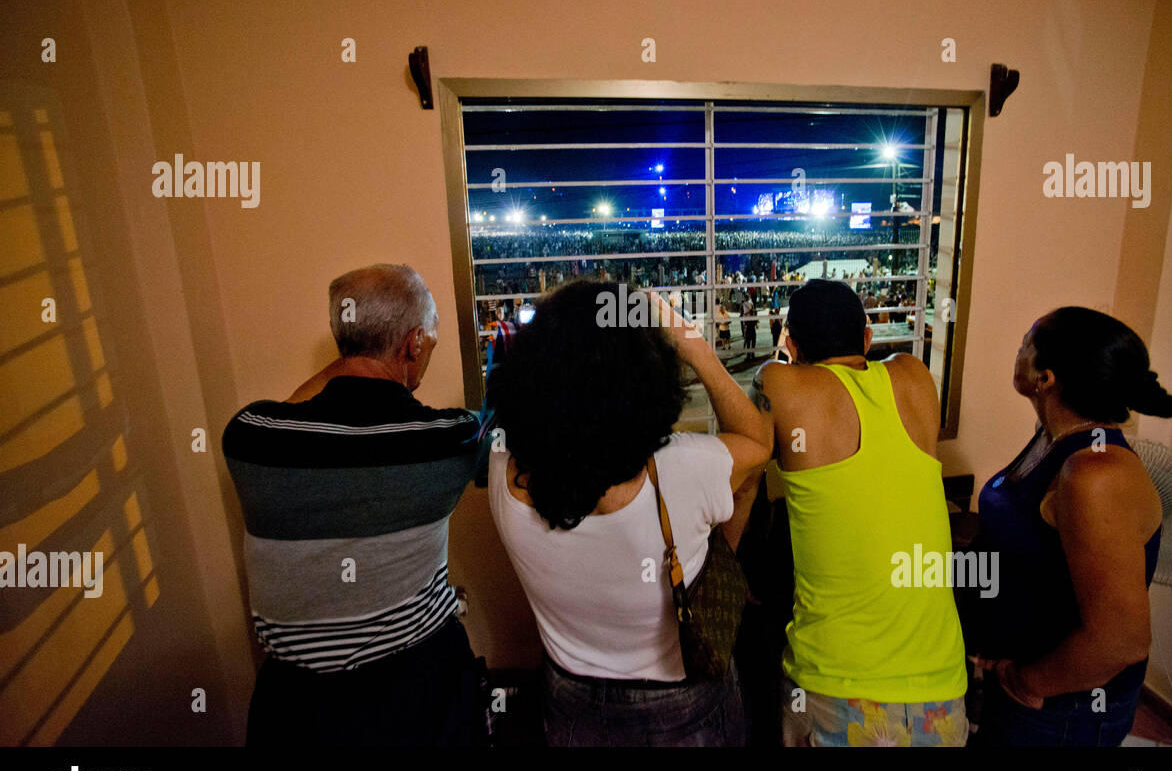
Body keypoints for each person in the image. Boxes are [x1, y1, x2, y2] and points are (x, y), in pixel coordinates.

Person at [486, 280, 771, 746]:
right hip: (684, 704)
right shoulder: (683, 468)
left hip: (568, 700)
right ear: (648, 377)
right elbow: (757, 440)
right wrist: (694, 347)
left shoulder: (504, 471)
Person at [222, 264, 484, 746]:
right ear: (415, 344)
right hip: (419, 698)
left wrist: (351, 355)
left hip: (294, 709)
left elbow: (299, 408)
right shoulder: (451, 439)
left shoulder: (250, 436)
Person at [747, 279, 968, 747]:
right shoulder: (914, 377)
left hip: (838, 689)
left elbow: (750, 453)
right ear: (866, 339)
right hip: (942, 691)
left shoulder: (776, 380)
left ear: (790, 344)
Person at [962, 307, 1172, 747]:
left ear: (1046, 378)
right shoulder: (1052, 438)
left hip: (1060, 710)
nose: (1018, 350)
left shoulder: (1095, 474)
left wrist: (1030, 682)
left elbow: (1120, 640)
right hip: (1016, 685)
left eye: (1026, 342)